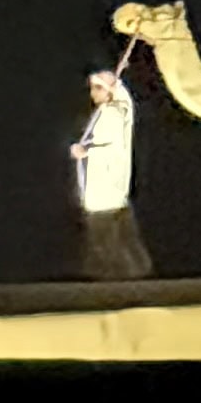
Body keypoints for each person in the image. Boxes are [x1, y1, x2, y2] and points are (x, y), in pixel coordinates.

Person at [71, 70, 152, 279]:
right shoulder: (114, 110)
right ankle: (134, 273)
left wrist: (86, 151)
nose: (93, 93)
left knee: (105, 239)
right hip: (109, 187)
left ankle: (113, 276)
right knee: (120, 236)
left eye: (98, 88)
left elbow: (112, 147)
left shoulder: (112, 113)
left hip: (105, 189)